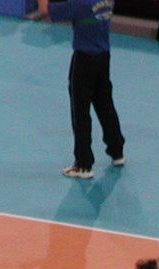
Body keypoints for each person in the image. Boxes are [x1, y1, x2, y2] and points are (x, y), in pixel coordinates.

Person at [37, 0, 125, 179]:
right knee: (105, 104)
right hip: (103, 56)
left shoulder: (80, 3)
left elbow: (45, 10)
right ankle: (117, 151)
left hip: (84, 59)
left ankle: (84, 164)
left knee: (80, 111)